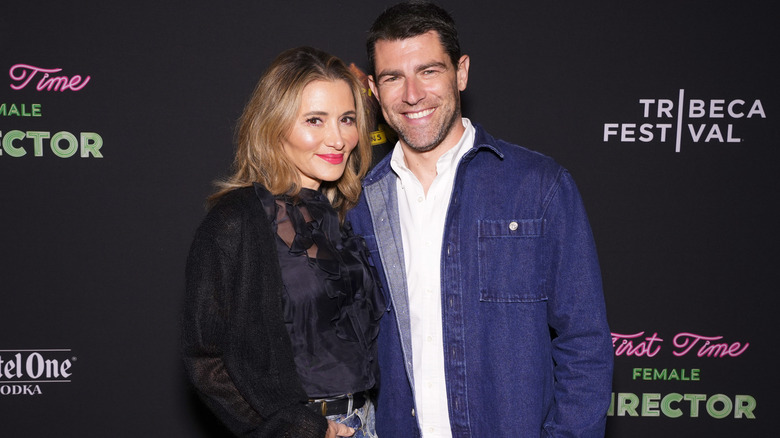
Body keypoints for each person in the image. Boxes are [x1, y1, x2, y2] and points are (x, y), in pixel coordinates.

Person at [346, 2, 614, 437]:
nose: (412, 94)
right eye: (394, 77)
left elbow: (585, 341)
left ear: (461, 71)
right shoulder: (359, 202)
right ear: (375, 90)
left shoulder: (538, 185)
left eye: (429, 71)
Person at [182, 46, 384, 438]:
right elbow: (205, 357)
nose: (338, 138)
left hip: (370, 422)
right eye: (315, 120)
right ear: (275, 125)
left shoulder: (347, 214)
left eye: (347, 119)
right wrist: (299, 428)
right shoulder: (236, 222)